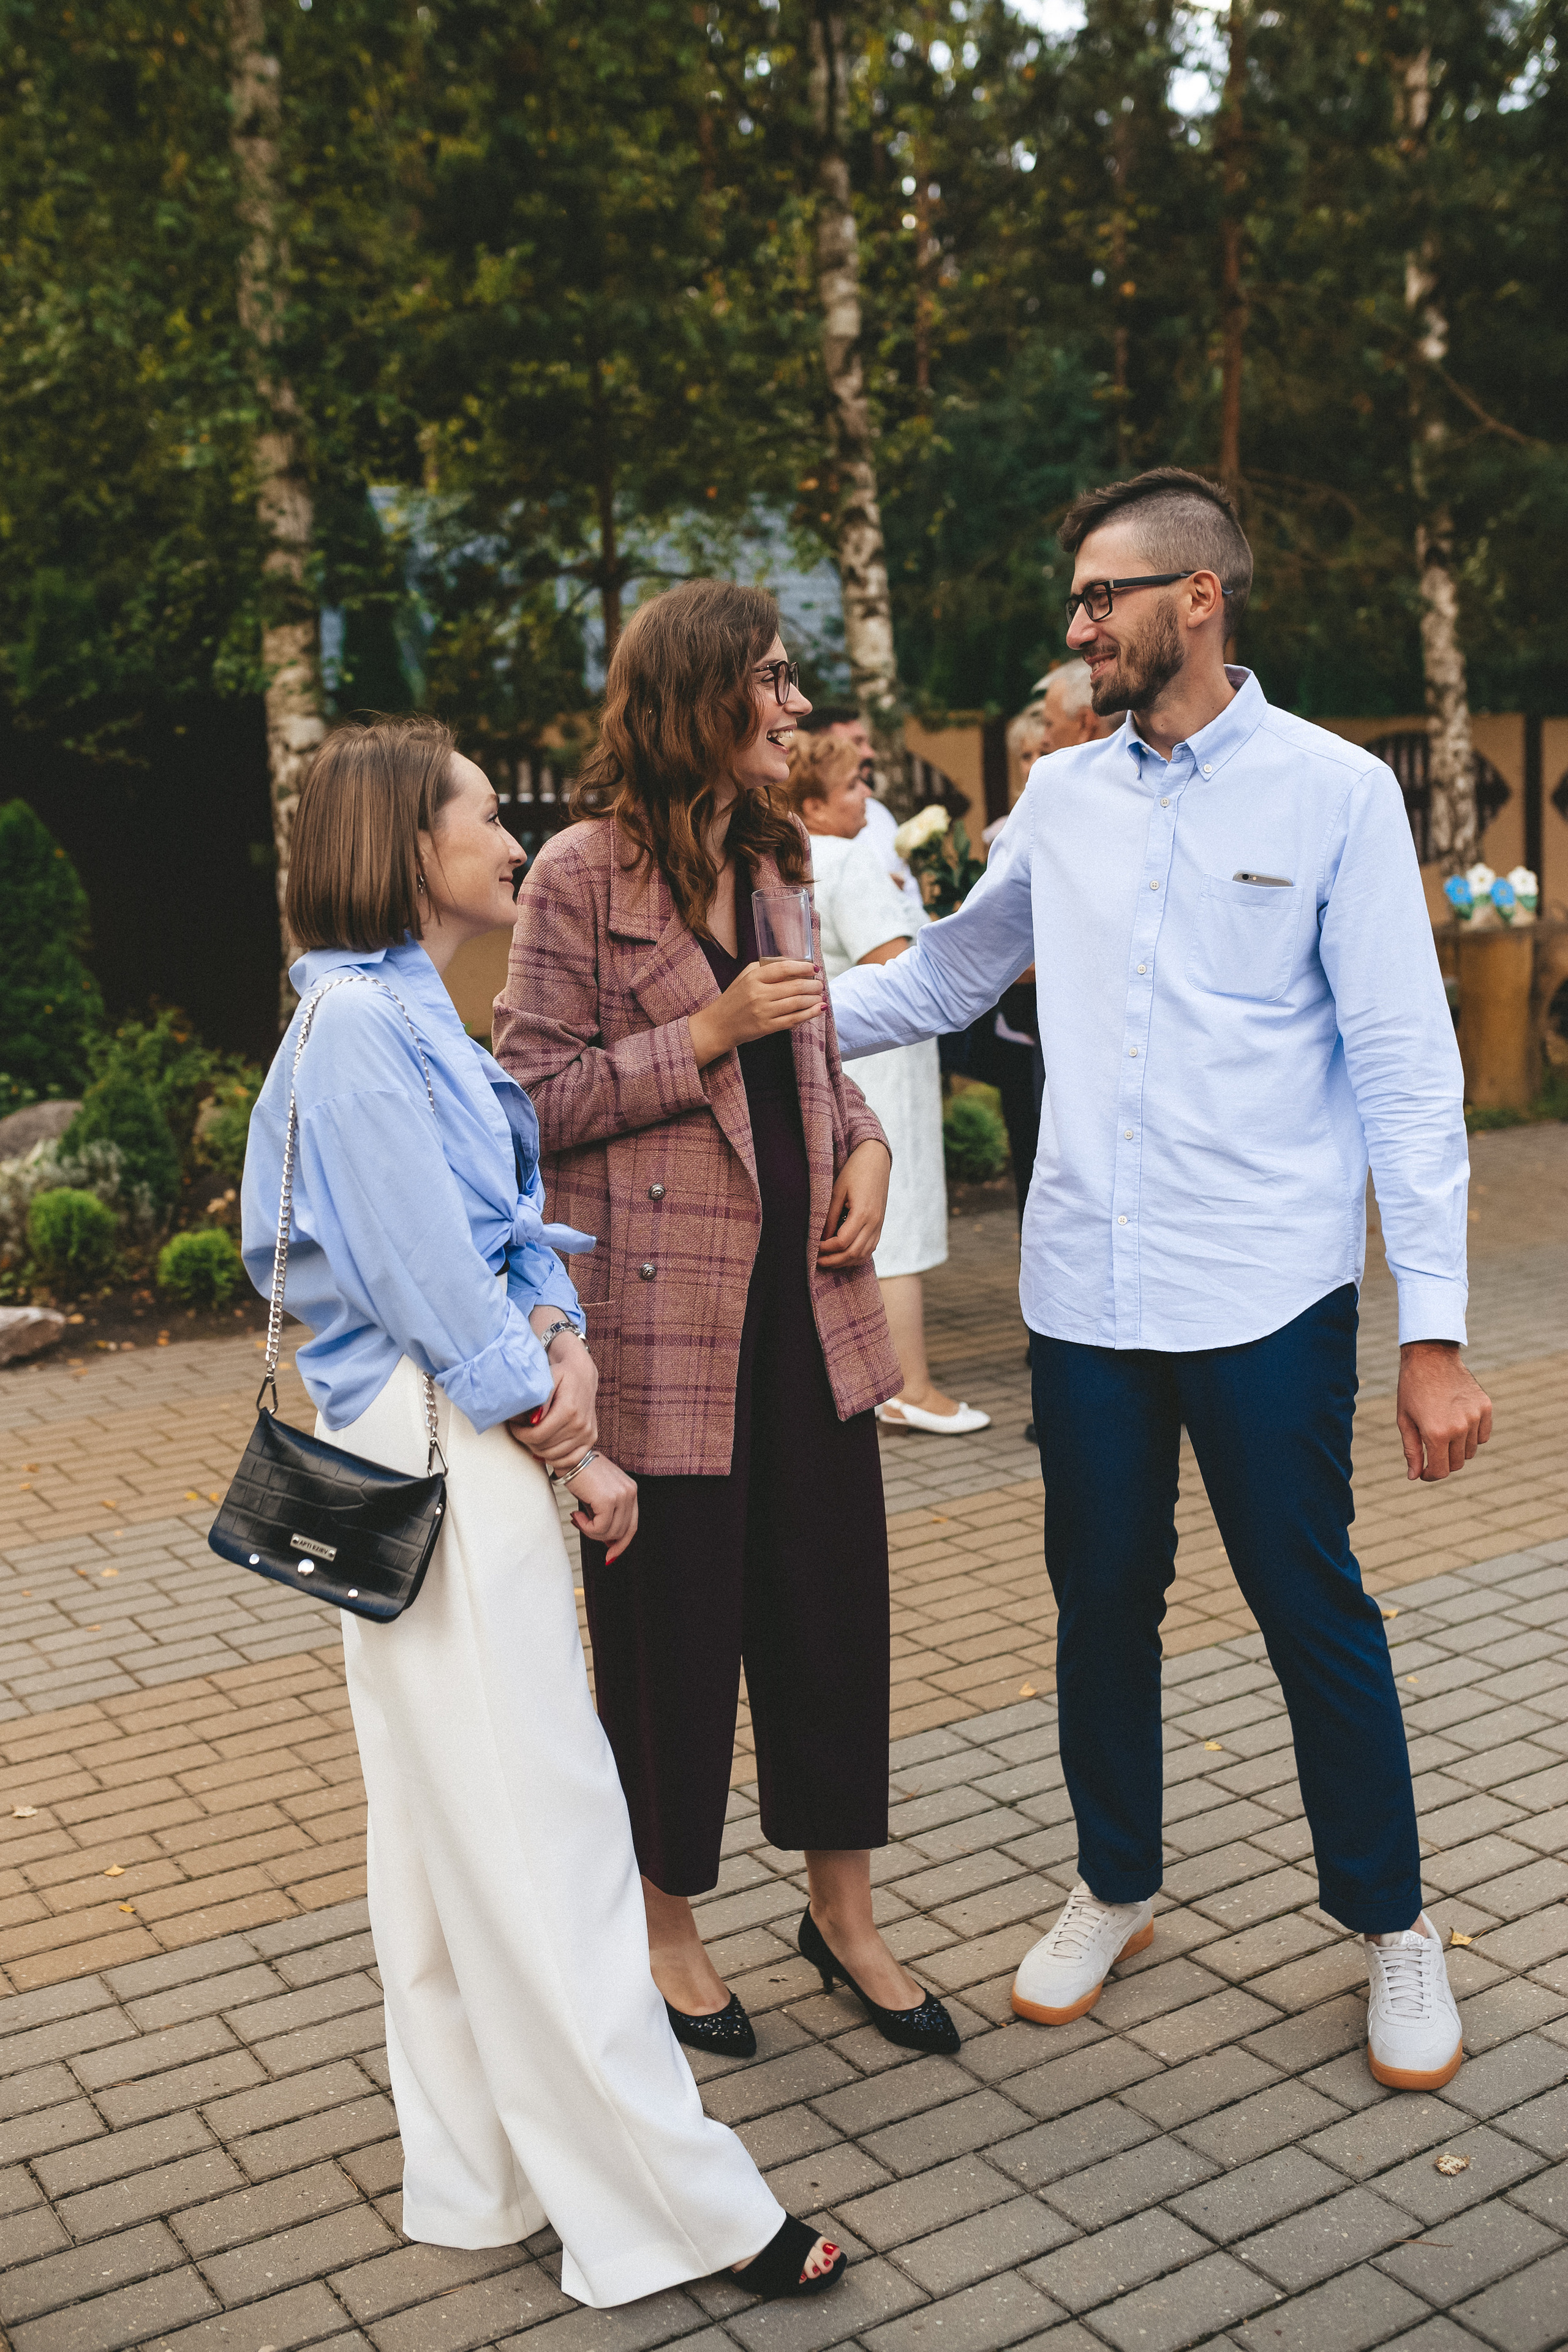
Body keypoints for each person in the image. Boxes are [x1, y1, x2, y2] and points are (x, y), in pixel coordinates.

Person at [829, 466, 1493, 2093]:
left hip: (1269, 1289)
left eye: (1100, 596)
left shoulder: (1335, 792)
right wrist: (734, 1021)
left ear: (1196, 598)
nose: (1079, 626)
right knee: (1100, 1606)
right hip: (1086, 1298)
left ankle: (1392, 1923)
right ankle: (1118, 1884)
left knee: (1309, 1603)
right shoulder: (1063, 799)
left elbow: (1410, 1073)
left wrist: (1440, 1331)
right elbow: (956, 973)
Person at [239, 716, 845, 2307]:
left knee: (441, 1844)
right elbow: (430, 1276)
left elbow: (486, 1231)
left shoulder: (386, 1016)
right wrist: (558, 1425)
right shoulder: (367, 1034)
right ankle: (686, 2211)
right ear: (402, 847)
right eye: (481, 817)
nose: (513, 838)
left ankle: (476, 2176)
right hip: (441, 1443)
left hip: (433, 1429)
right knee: (552, 1830)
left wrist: (554, 1342)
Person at [494, 582, 961, 2064]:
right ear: (699, 694)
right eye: (771, 679)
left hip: (807, 1313)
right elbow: (531, 1105)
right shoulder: (577, 873)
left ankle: (844, 1915)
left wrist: (869, 1150)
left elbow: (815, 1062)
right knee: (670, 1643)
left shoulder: (778, 860)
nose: (796, 707)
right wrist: (698, 1034)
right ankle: (664, 1924)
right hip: (657, 1328)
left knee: (832, 1620)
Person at [788, 731, 989, 1434]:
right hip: (881, 1064)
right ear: (812, 801)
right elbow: (894, 961)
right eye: (852, 787)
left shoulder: (782, 859)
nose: (866, 796)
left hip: (826, 1061)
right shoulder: (845, 862)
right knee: (896, 1220)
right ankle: (909, 1386)